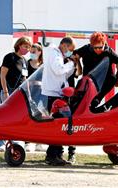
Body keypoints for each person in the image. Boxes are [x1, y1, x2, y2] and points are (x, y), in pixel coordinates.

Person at [41, 37, 78, 166]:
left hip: (57, 93)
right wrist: (72, 64)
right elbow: (59, 70)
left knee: (59, 124)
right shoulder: (55, 54)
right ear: (64, 45)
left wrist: (71, 67)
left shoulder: (57, 55)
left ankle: (57, 154)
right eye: (70, 49)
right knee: (57, 125)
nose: (71, 52)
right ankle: (52, 155)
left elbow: (62, 75)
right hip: (53, 95)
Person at [73, 32, 118, 110]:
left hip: (104, 81)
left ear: (104, 44)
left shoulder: (108, 51)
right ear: (92, 46)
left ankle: (98, 98)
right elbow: (73, 54)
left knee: (112, 79)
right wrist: (76, 60)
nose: (97, 50)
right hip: (89, 81)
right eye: (95, 48)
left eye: (100, 47)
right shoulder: (86, 49)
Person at [0, 37, 32, 152]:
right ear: (19, 45)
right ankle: (0, 143)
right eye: (25, 46)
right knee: (3, 117)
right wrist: (5, 92)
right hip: (8, 91)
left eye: (29, 47)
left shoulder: (24, 61)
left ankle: (14, 139)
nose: (27, 49)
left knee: (16, 117)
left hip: (19, 94)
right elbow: (2, 75)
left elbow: (24, 78)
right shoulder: (10, 57)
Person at [24, 42, 45, 152]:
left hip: (41, 95)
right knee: (29, 118)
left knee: (40, 118)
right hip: (30, 94)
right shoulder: (26, 64)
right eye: (31, 52)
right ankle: (27, 142)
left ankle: (39, 143)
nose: (31, 53)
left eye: (34, 52)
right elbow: (25, 79)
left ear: (40, 52)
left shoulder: (43, 65)